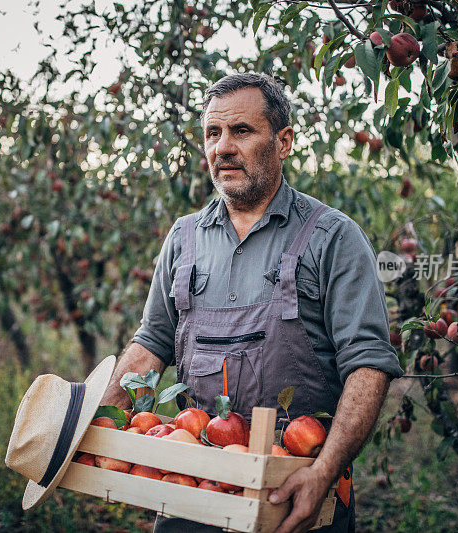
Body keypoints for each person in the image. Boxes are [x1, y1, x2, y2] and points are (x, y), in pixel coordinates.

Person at [100, 72, 404, 533]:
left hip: (294, 489)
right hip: (194, 484)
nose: (222, 147)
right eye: (212, 133)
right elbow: (152, 343)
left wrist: (323, 472)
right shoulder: (184, 239)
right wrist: (97, 425)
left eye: (241, 131)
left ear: (283, 142)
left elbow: (368, 362)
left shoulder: (333, 238)